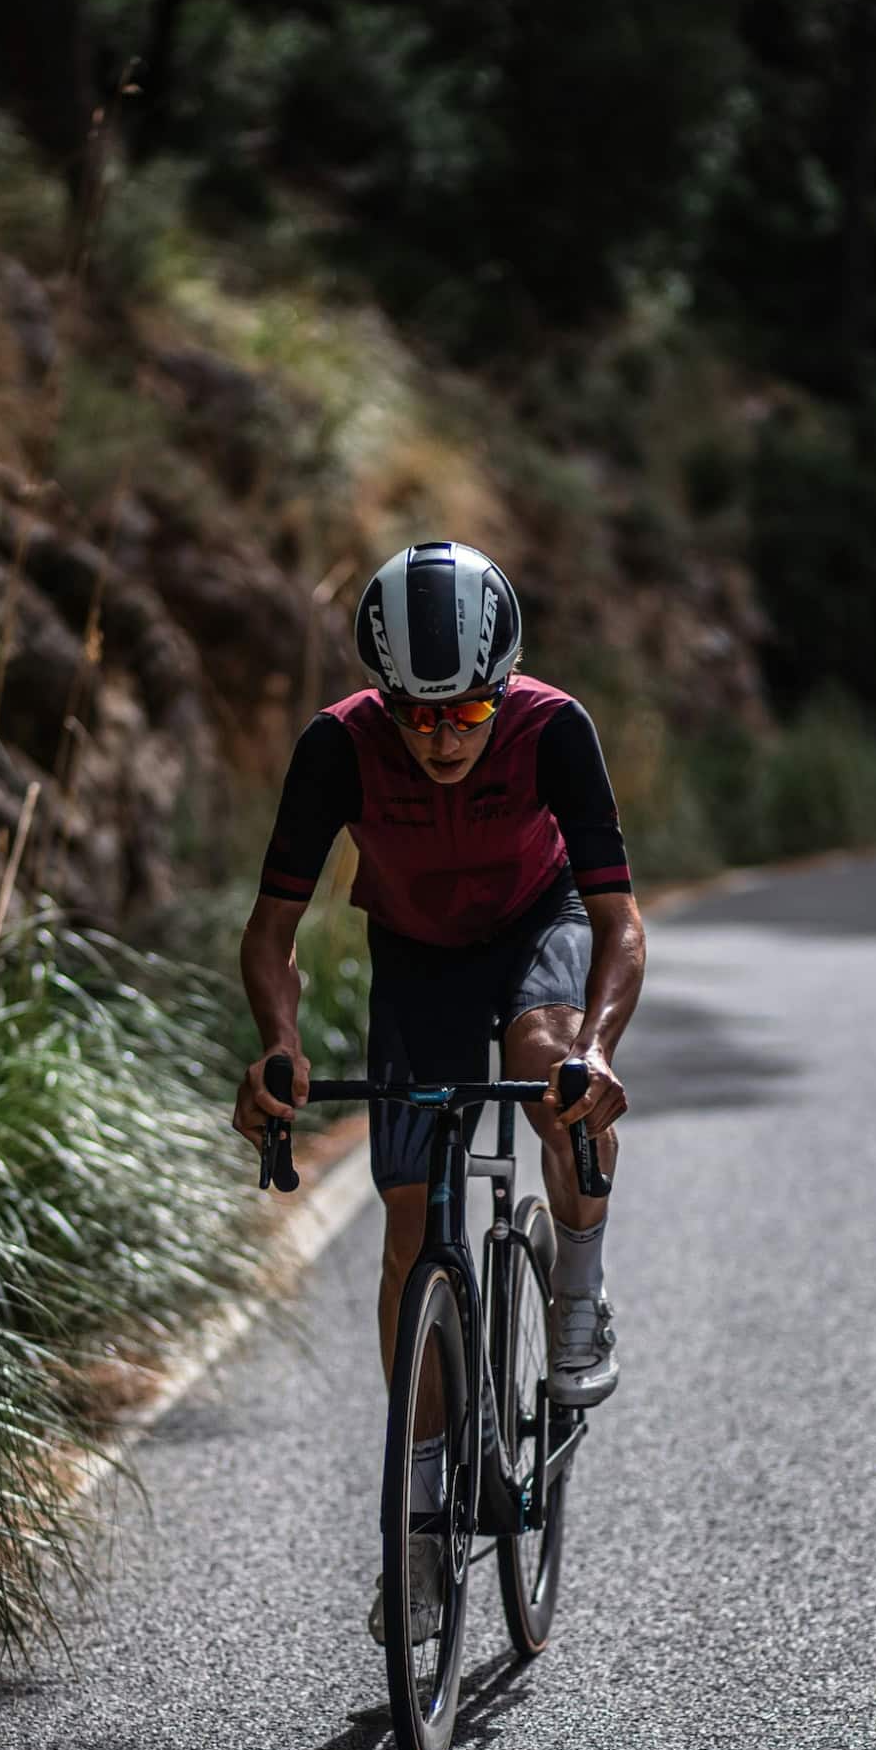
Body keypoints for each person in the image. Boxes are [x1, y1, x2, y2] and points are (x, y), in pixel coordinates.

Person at [232, 539, 645, 1638]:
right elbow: (270, 931)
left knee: (547, 1057)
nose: (439, 737)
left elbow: (618, 921)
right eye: (416, 715)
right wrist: (277, 1039)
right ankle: (417, 1536)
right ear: (383, 693)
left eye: (464, 714)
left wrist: (598, 1049)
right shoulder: (339, 745)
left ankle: (575, 1296)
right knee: (408, 1232)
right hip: (415, 955)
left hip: (535, 926)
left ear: (500, 688)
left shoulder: (553, 728)